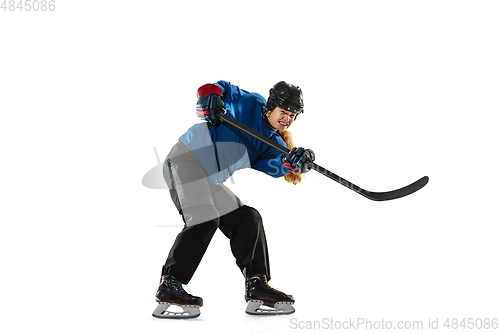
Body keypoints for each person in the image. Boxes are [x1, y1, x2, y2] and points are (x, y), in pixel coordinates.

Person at [152, 80, 315, 319]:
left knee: (248, 219)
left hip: (208, 179)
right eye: (284, 112)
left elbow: (279, 165)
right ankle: (169, 284)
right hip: (186, 159)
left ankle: (257, 284)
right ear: (270, 107)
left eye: (292, 115)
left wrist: (295, 162)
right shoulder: (249, 102)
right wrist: (211, 98)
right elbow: (216, 86)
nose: (287, 119)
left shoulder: (274, 146)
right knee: (205, 217)